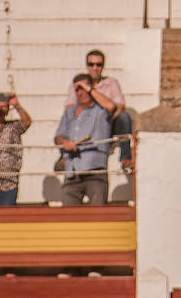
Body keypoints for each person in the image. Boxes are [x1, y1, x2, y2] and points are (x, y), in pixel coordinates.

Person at [63, 49, 133, 175]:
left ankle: (126, 158)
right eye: (91, 64)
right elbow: (69, 106)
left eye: (98, 65)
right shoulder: (79, 83)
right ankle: (64, 157)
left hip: (107, 123)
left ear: (103, 66)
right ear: (87, 66)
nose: (95, 68)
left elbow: (120, 105)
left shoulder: (111, 83)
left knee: (124, 117)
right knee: (70, 119)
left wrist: (104, 120)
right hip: (85, 126)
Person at [54, 74, 112, 205]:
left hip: (95, 171)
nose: (81, 92)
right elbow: (58, 136)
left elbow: (111, 106)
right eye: (77, 89)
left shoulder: (100, 111)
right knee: (69, 218)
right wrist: (64, 142)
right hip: (72, 172)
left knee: (98, 216)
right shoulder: (69, 112)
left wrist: (89, 88)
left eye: (83, 88)